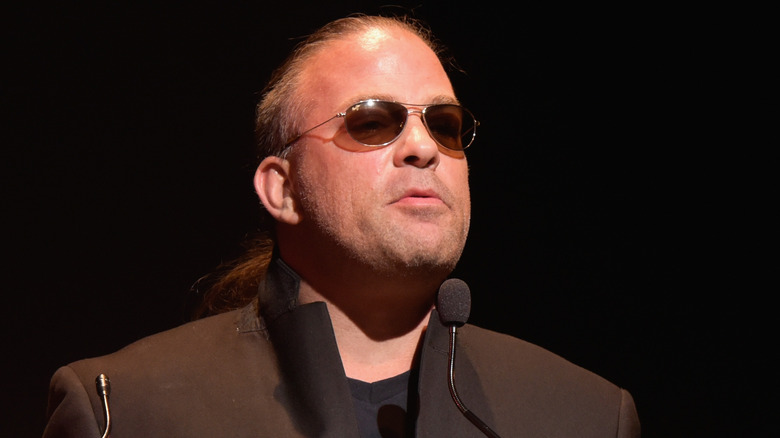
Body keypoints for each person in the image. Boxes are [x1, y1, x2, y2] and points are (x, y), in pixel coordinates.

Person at [42, 14, 640, 437]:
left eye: (445, 125)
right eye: (372, 122)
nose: (423, 148)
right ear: (282, 189)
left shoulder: (586, 416)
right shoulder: (123, 411)